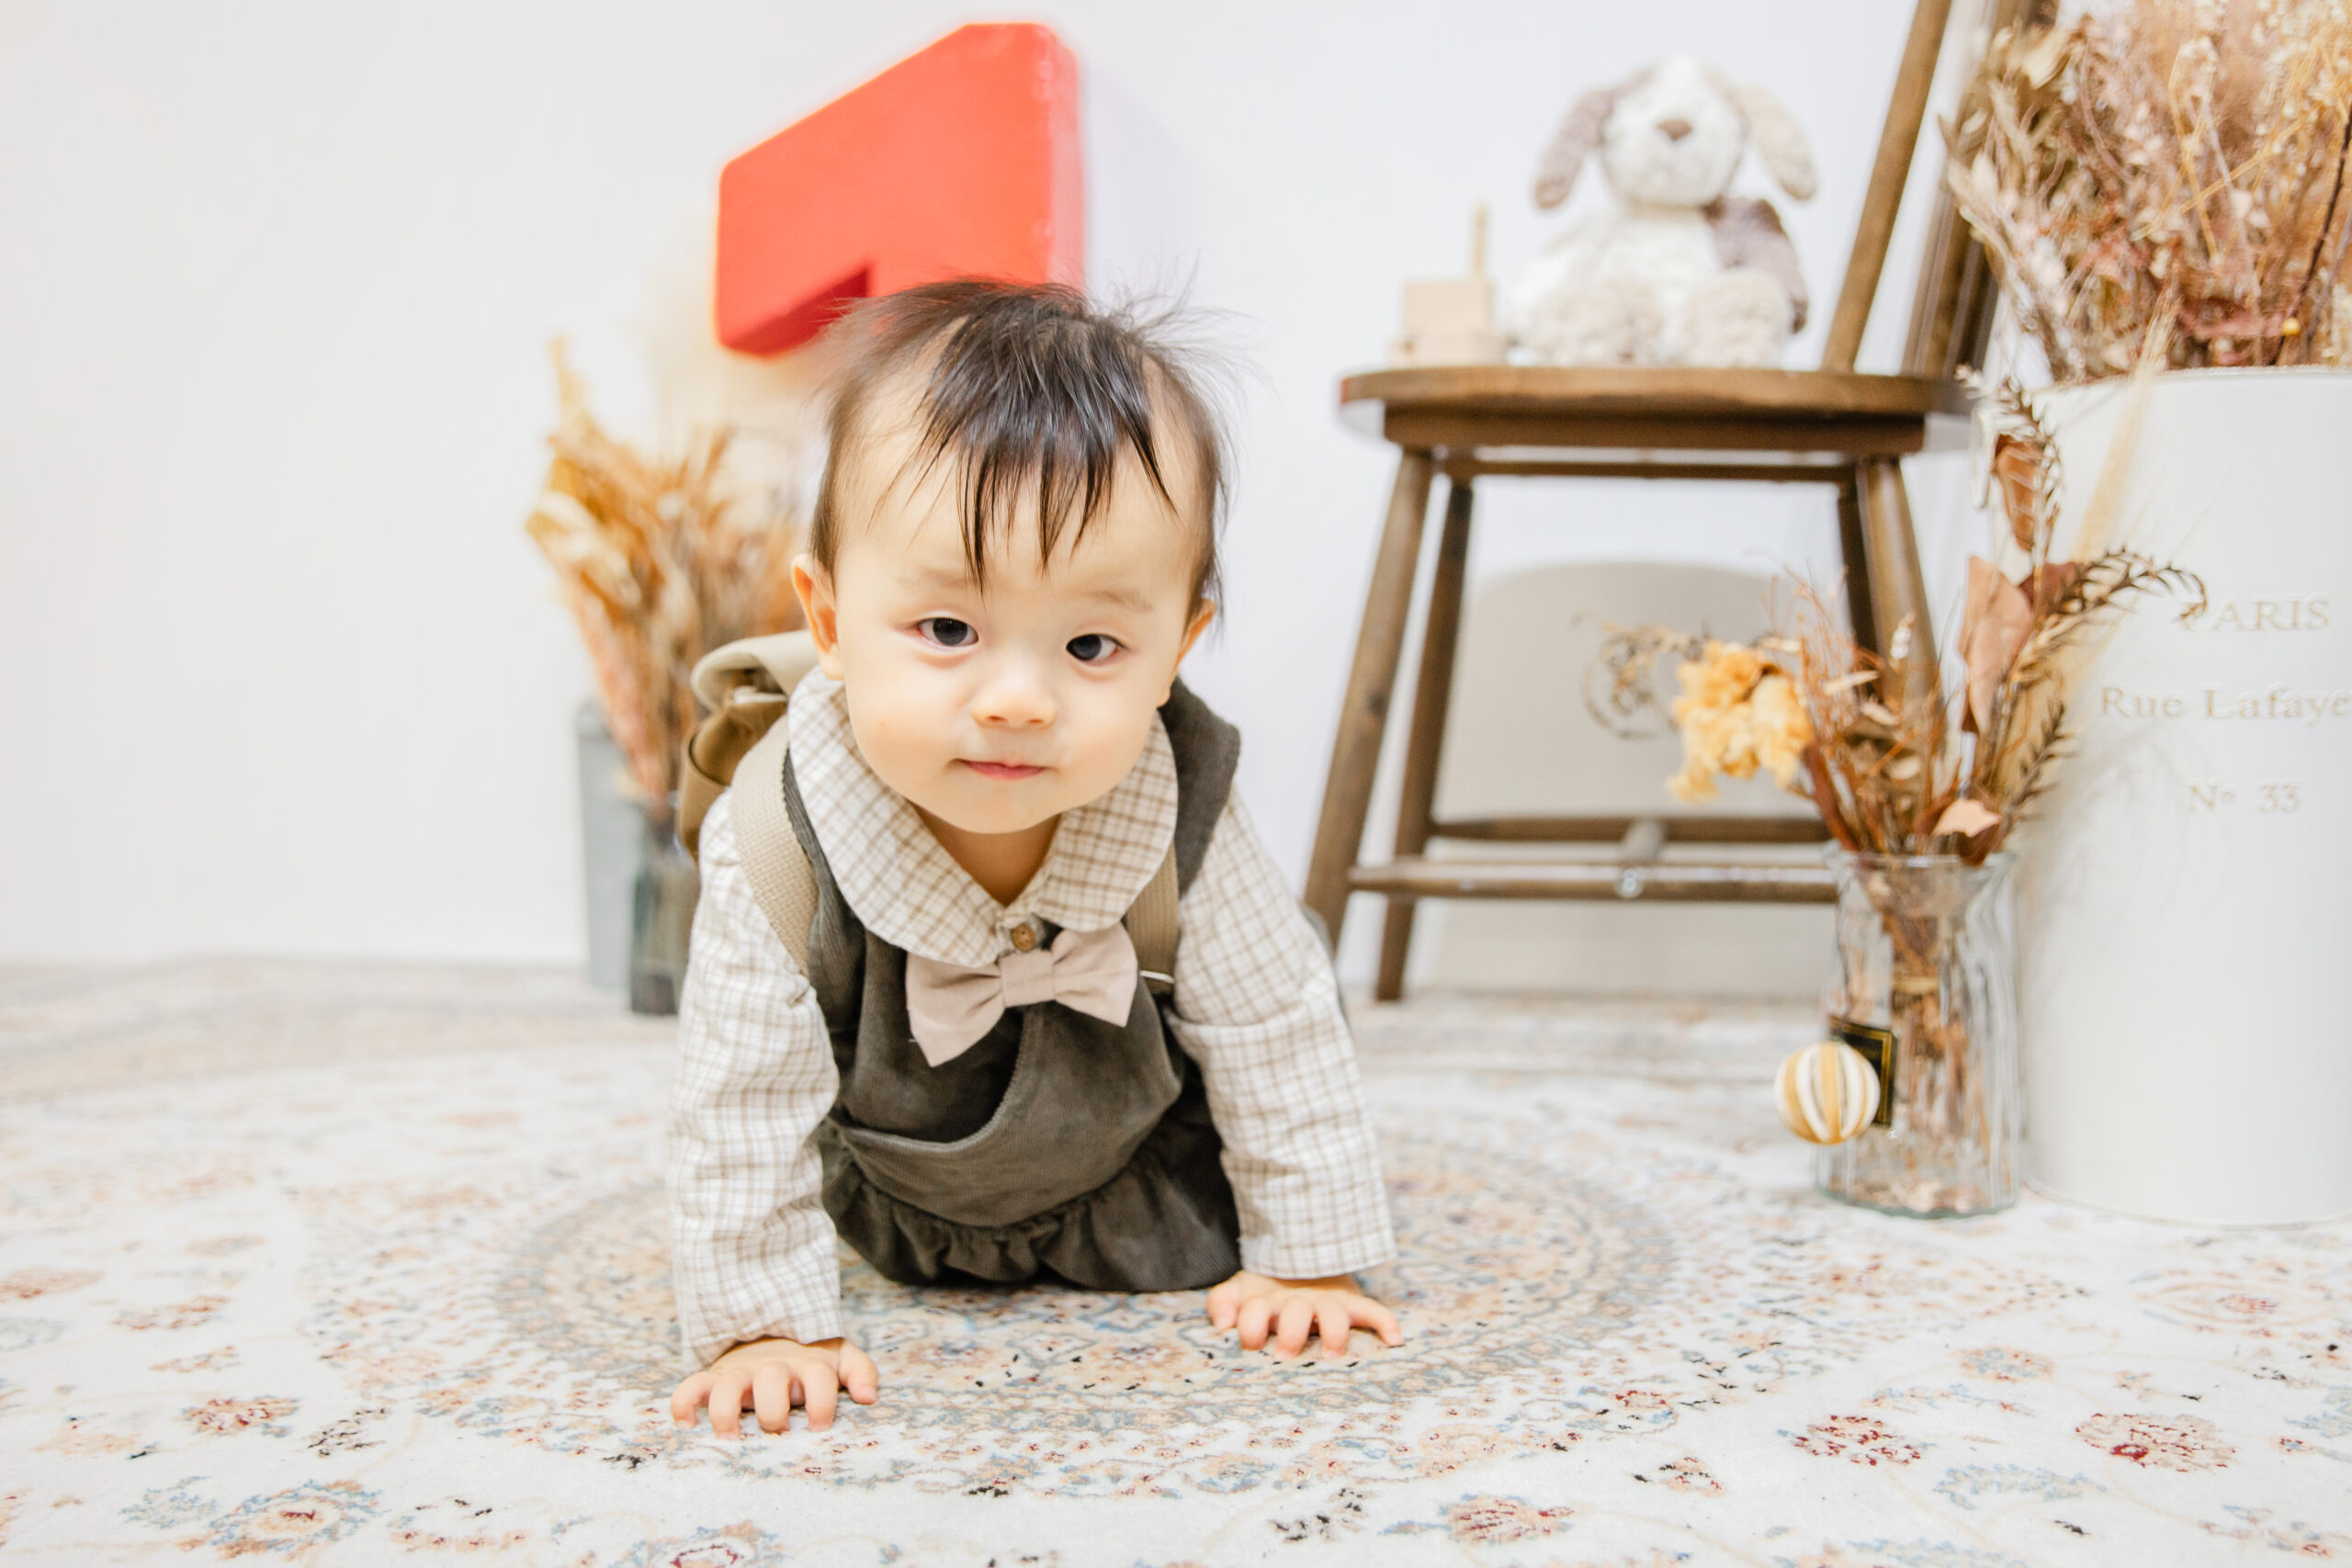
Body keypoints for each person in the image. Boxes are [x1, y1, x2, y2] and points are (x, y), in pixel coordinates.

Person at [666, 281, 1400, 1439]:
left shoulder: (1178, 803)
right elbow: (741, 1096)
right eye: (947, 631)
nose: (1017, 700)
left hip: (1135, 1181)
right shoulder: (777, 836)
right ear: (827, 620)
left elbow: (1275, 1025)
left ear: (1176, 652)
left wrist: (1310, 1262)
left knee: (1278, 974)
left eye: (1092, 644)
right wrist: (762, 1325)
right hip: (902, 1196)